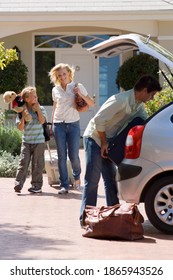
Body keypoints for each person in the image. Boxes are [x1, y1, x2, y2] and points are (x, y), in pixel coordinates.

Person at [80, 74, 162, 225]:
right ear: (144, 90)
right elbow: (99, 120)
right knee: (92, 180)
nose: (152, 98)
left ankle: (114, 217)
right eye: (152, 94)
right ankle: (85, 218)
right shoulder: (120, 100)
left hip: (108, 141)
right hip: (95, 137)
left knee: (111, 181)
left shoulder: (138, 106)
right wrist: (104, 143)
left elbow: (145, 123)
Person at [49, 63, 95, 194]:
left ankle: (77, 178)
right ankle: (64, 185)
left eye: (64, 74)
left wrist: (80, 93)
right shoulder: (55, 90)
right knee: (61, 156)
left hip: (73, 124)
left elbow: (91, 103)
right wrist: (52, 125)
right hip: (59, 124)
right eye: (59, 75)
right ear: (56, 77)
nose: (62, 77)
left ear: (69, 73)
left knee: (73, 155)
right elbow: (54, 108)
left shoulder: (77, 86)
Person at [14, 86, 47, 194]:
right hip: (26, 141)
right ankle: (18, 184)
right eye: (33, 96)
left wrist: (37, 109)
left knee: (37, 164)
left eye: (36, 95)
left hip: (39, 141)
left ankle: (36, 186)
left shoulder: (41, 109)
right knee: (23, 162)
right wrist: (23, 116)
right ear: (27, 99)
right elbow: (20, 128)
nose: (36, 97)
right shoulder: (21, 110)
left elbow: (42, 122)